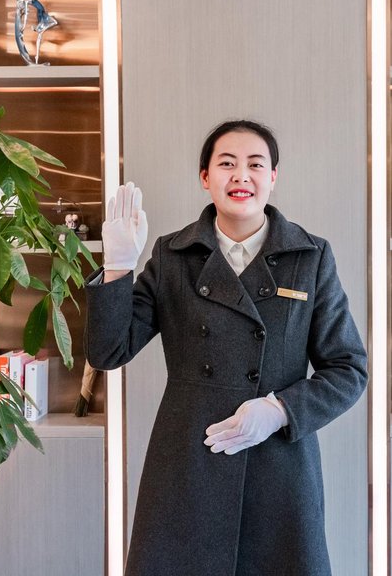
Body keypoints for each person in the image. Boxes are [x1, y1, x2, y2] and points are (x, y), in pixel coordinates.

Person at [85, 120, 368, 576]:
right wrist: (118, 266)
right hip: (189, 465)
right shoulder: (172, 255)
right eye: (227, 164)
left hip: (278, 467)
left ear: (273, 176)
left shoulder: (310, 257)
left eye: (255, 164)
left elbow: (348, 369)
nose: (241, 176)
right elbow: (108, 351)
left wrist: (279, 410)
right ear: (205, 177)